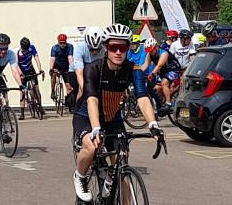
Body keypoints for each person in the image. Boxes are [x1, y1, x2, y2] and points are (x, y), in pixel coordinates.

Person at [72, 24, 163, 203]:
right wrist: (96, 127)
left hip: (113, 117)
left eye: (123, 47)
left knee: (122, 162)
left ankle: (113, 182)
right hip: (86, 116)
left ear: (129, 48)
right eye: (114, 47)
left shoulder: (133, 69)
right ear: (106, 48)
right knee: (91, 147)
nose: (118, 52)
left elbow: (142, 97)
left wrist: (153, 125)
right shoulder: (93, 68)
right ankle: (80, 176)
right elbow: (91, 99)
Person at [141, 37, 181, 114]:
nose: (151, 52)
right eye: (149, 51)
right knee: (156, 89)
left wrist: (151, 75)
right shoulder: (149, 54)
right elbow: (145, 65)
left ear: (156, 46)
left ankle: (168, 103)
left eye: (152, 50)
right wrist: (138, 73)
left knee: (164, 83)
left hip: (174, 70)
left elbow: (159, 65)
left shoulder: (164, 53)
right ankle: (161, 105)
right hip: (163, 72)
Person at [16, 37, 45, 120]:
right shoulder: (17, 51)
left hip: (31, 71)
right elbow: (16, 65)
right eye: (24, 48)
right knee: (22, 92)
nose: (25, 50)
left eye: (27, 48)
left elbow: (36, 58)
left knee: (36, 89)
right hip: (22, 72)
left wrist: (40, 69)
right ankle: (22, 113)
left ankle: (40, 105)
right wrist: (21, 74)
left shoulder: (32, 47)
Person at [49, 33, 73, 100]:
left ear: (66, 41)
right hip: (57, 66)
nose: (62, 44)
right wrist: (51, 68)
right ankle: (53, 90)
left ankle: (69, 102)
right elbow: (52, 58)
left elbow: (70, 57)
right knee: (53, 74)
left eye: (64, 43)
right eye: (61, 43)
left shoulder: (70, 46)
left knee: (68, 86)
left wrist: (72, 68)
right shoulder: (54, 48)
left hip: (65, 66)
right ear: (58, 42)